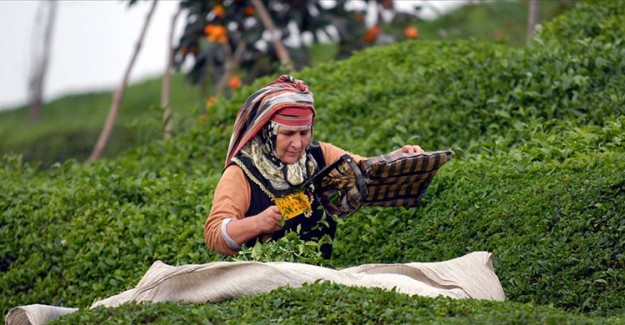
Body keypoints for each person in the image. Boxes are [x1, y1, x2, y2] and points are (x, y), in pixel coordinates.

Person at [204, 75, 423, 259]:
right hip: (260, 282)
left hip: (316, 279)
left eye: (304, 133)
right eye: (288, 134)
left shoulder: (320, 155)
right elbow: (214, 234)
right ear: (267, 132)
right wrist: (257, 223)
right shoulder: (241, 172)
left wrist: (398, 157)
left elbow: (364, 170)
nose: (298, 143)